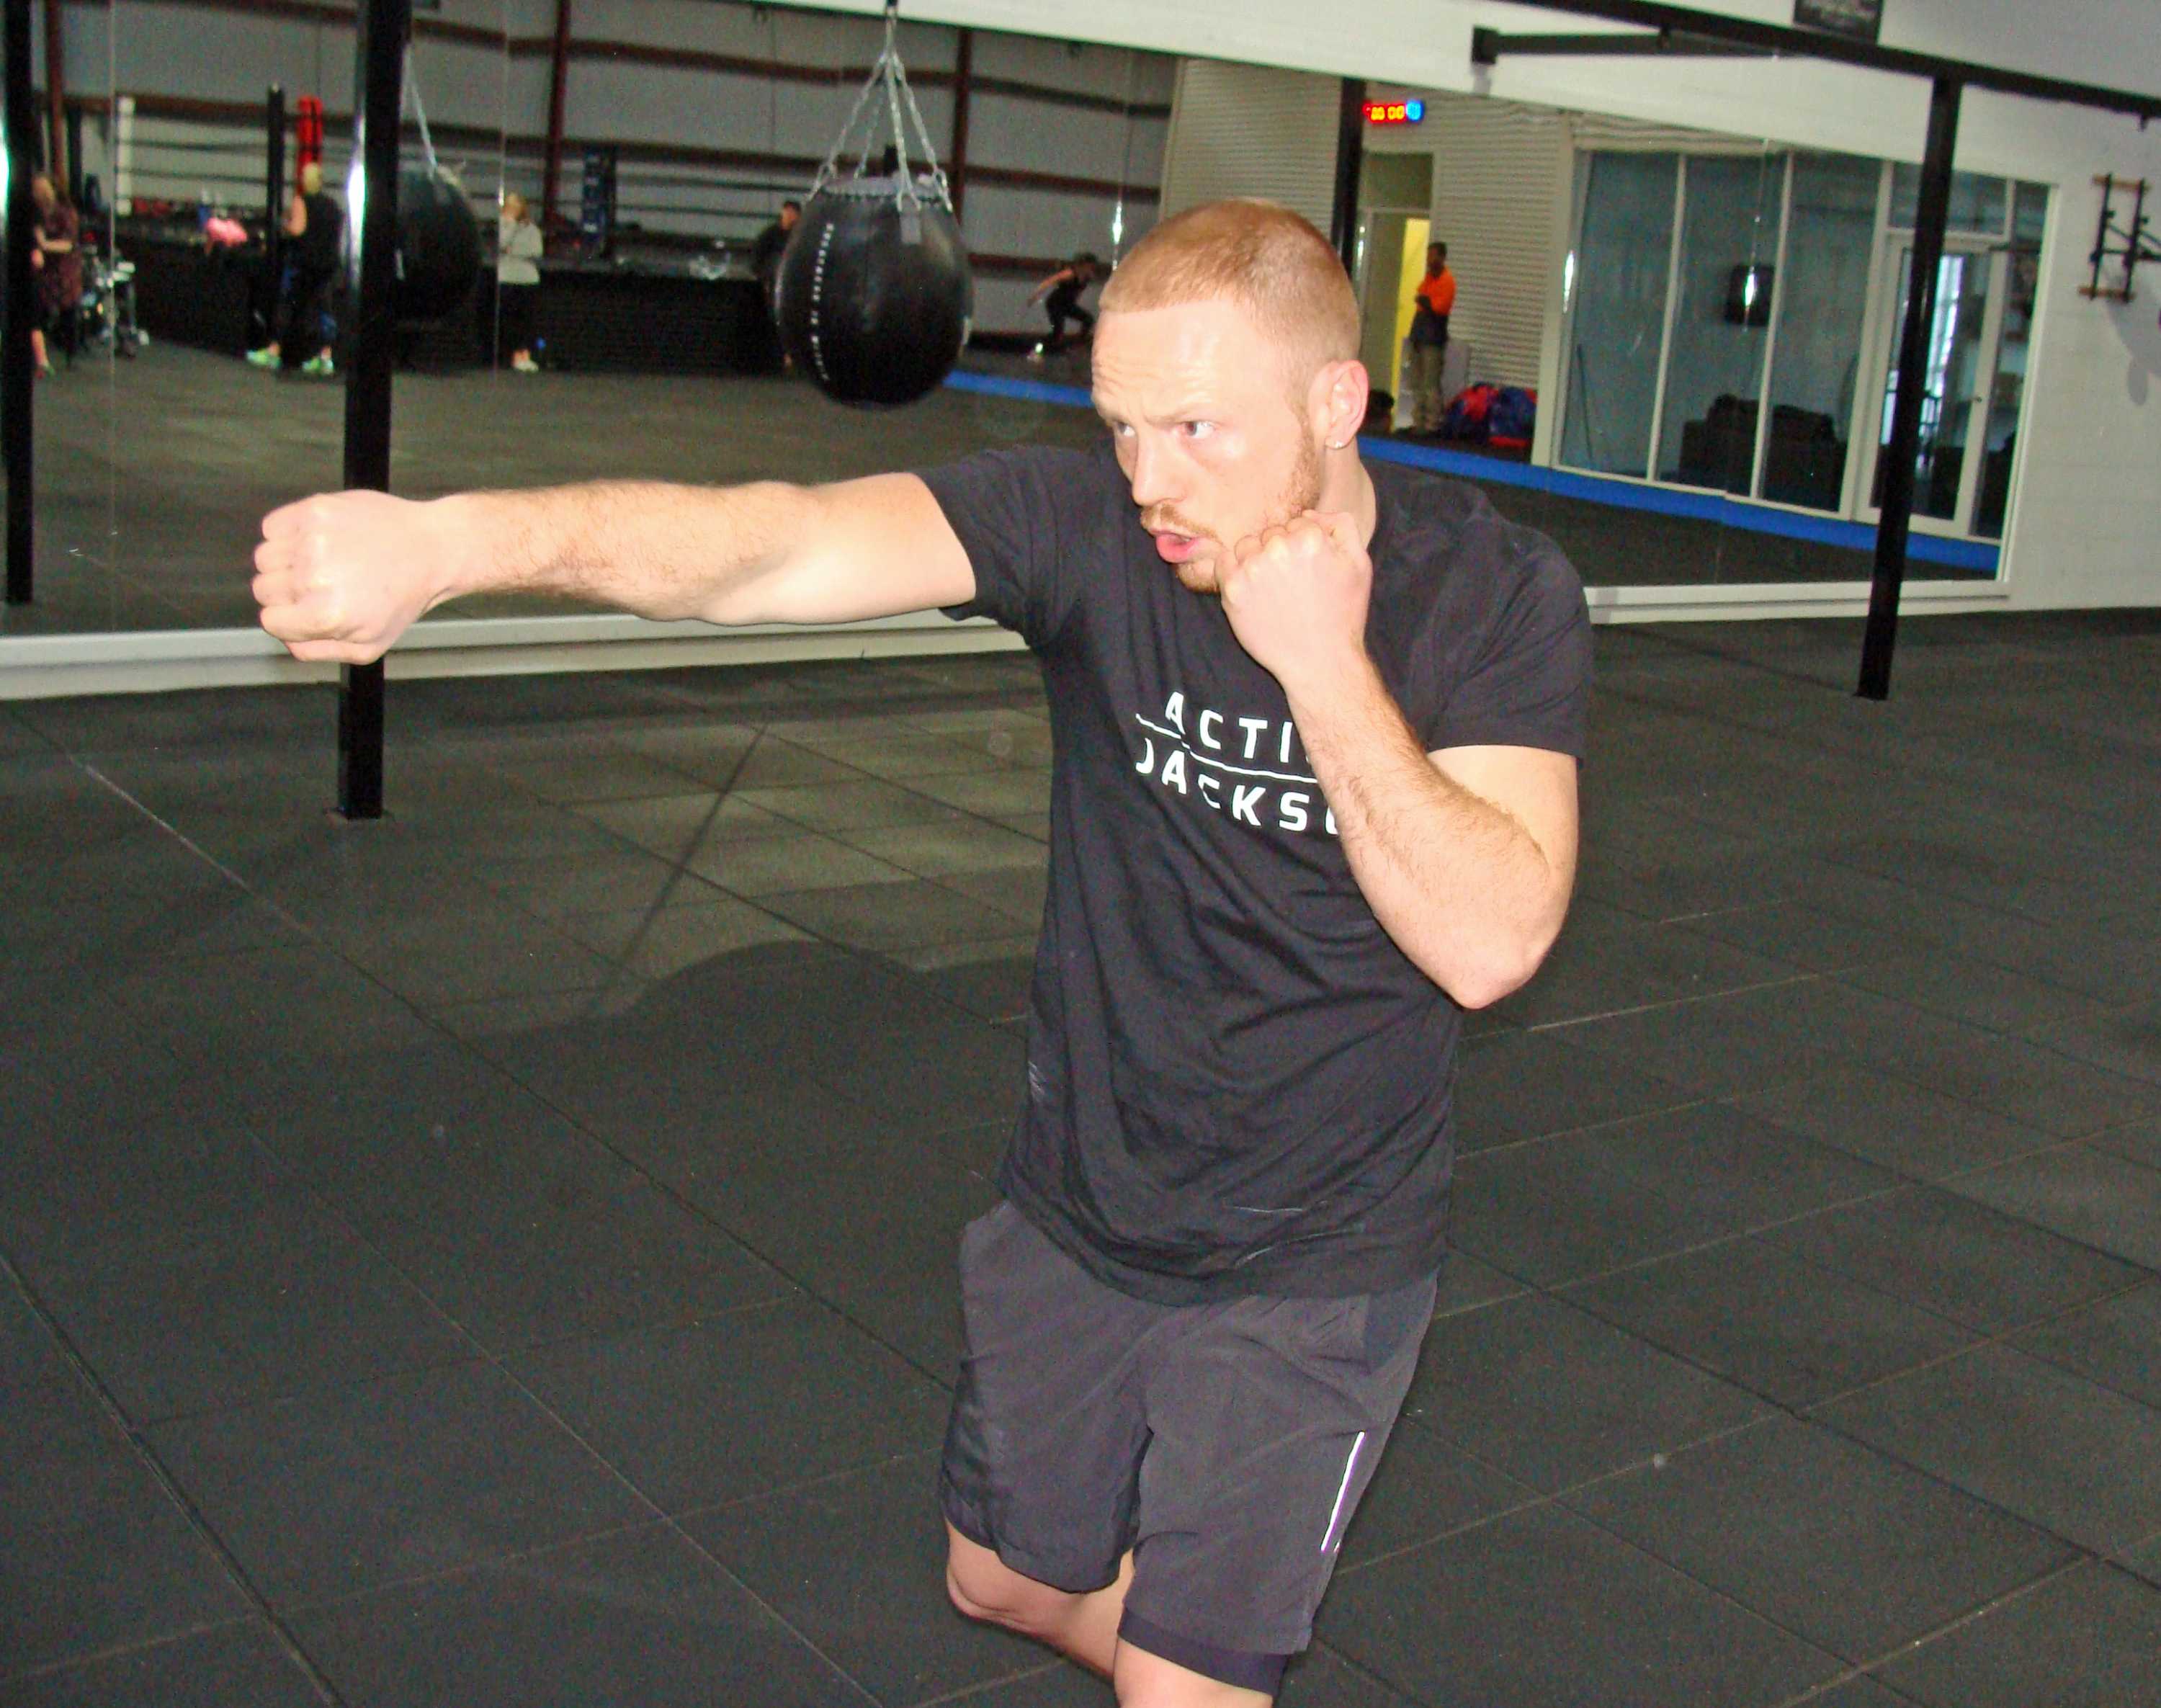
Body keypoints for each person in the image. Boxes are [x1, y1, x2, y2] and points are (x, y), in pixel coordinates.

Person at [251, 197, 1589, 1708]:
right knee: (1000, 1580)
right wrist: (452, 541)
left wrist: (1322, 662)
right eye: (1121, 427)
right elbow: (775, 545)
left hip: (1316, 1256)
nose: (1149, 480)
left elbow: (1491, 942)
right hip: (1083, 1203)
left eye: (1196, 430)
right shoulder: (1086, 528)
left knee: (1180, 1689)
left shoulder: (1492, 596)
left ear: (1335, 404)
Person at [248, 161, 342, 377]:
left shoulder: (302, 201)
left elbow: (298, 230)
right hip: (326, 266)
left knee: (286, 306)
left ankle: (274, 351)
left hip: (303, 264)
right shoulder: (332, 205)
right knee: (324, 310)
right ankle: (325, 357)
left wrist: (284, 224)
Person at [30, 174, 84, 377]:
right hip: (45, 268)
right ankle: (41, 357)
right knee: (40, 311)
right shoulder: (38, 213)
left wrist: (44, 244)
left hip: (64, 268)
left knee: (67, 310)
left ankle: (70, 353)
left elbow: (68, 244)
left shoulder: (65, 212)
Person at [1408, 241, 1456, 434]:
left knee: (1430, 383)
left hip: (1433, 339)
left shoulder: (1447, 281)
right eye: (1428, 256)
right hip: (1420, 336)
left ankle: (1432, 424)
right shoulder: (1429, 278)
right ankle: (1419, 422)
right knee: (1417, 382)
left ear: (1442, 257)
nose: (1429, 260)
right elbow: (1421, 298)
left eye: (1432, 256)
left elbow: (1439, 308)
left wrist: (1426, 302)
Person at [496, 192, 544, 373]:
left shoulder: (531, 227)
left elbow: (536, 250)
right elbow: (502, 244)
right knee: (511, 320)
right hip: (508, 278)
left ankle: (526, 355)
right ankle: (514, 356)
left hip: (528, 279)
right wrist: (511, 227)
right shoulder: (503, 225)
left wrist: (514, 251)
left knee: (527, 321)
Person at [1027, 251, 1102, 362]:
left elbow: (1079, 290)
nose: (1092, 269)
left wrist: (1075, 300)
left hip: (1067, 304)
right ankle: (1036, 351)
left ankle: (1078, 346)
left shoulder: (1088, 277)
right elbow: (1049, 281)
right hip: (1055, 304)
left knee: (1088, 319)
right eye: (1090, 266)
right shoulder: (1070, 273)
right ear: (1084, 265)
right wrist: (1035, 295)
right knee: (1057, 334)